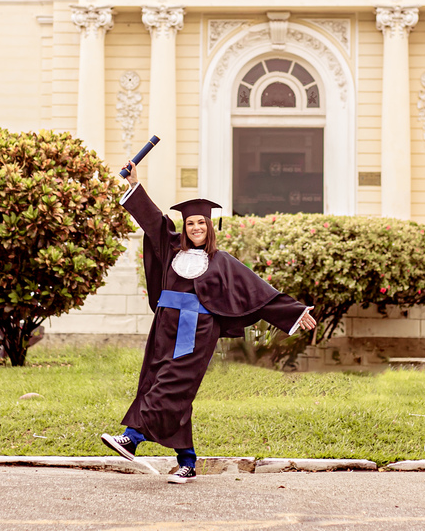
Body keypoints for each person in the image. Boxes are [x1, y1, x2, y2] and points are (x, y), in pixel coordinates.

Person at [101, 160, 317, 484]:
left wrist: (296, 313)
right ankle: (187, 462)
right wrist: (134, 183)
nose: (196, 228)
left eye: (201, 223)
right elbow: (152, 220)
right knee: (163, 385)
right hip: (164, 327)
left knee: (171, 384)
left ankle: (132, 437)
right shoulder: (170, 247)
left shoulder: (222, 262)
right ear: (185, 227)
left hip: (197, 331)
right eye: (191, 224)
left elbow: (258, 292)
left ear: (209, 226)